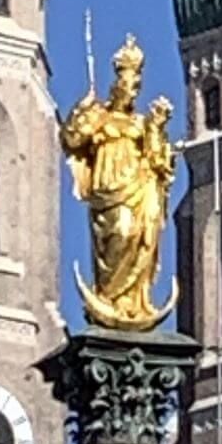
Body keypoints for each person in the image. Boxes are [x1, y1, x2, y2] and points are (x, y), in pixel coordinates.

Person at [61, 35, 176, 329]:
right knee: (120, 233)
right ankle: (109, 295)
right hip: (108, 193)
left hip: (139, 191)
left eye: (136, 85)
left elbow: (160, 163)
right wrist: (81, 110)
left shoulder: (141, 124)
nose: (132, 90)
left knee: (142, 236)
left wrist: (157, 128)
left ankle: (133, 301)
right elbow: (72, 139)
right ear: (116, 85)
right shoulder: (99, 117)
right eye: (127, 84)